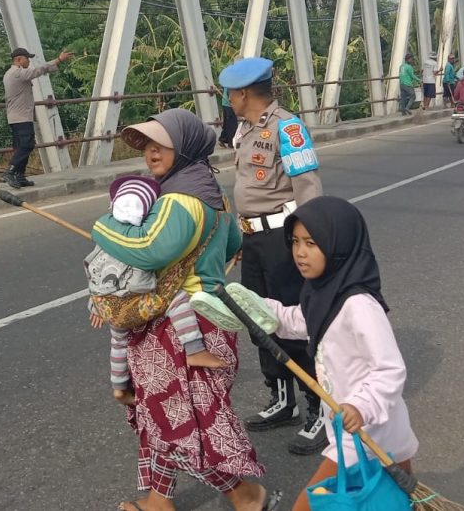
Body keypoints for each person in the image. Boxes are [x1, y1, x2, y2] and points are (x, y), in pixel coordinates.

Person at [91, 108, 276, 511]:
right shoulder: (211, 190)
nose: (152, 153)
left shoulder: (179, 200)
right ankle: (159, 500)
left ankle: (245, 494)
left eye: (162, 145)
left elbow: (148, 248)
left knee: (181, 421)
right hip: (211, 315)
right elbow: (229, 246)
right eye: (148, 146)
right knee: (164, 414)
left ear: (185, 147)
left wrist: (103, 226)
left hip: (182, 324)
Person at [213, 196, 418, 511]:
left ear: (338, 245)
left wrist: (361, 406)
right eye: (295, 241)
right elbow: (301, 322)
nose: (299, 252)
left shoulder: (359, 306)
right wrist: (261, 310)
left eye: (311, 243)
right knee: (397, 494)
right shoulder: (322, 291)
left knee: (307, 505)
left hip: (363, 425)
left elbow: (389, 369)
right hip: (355, 421)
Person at [218, 57, 326, 456]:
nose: (229, 100)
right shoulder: (245, 130)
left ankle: (318, 408)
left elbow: (308, 187)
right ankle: (282, 399)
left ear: (244, 93)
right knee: (259, 320)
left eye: (231, 93)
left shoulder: (288, 127)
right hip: (254, 241)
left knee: (294, 325)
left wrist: (309, 243)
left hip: (283, 238)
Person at [86, 175, 227, 394]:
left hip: (107, 306)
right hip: (136, 303)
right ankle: (194, 348)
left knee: (118, 342)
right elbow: (149, 268)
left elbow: (95, 277)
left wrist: (95, 304)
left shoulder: (108, 239)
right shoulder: (139, 240)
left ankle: (119, 386)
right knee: (177, 298)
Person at [1, 46, 73, 189]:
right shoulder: (17, 73)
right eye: (27, 58)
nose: (29, 61)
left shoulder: (9, 73)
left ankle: (20, 175)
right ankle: (10, 171)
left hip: (16, 117)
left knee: (20, 146)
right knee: (27, 144)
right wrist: (58, 60)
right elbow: (38, 71)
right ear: (19, 59)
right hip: (21, 117)